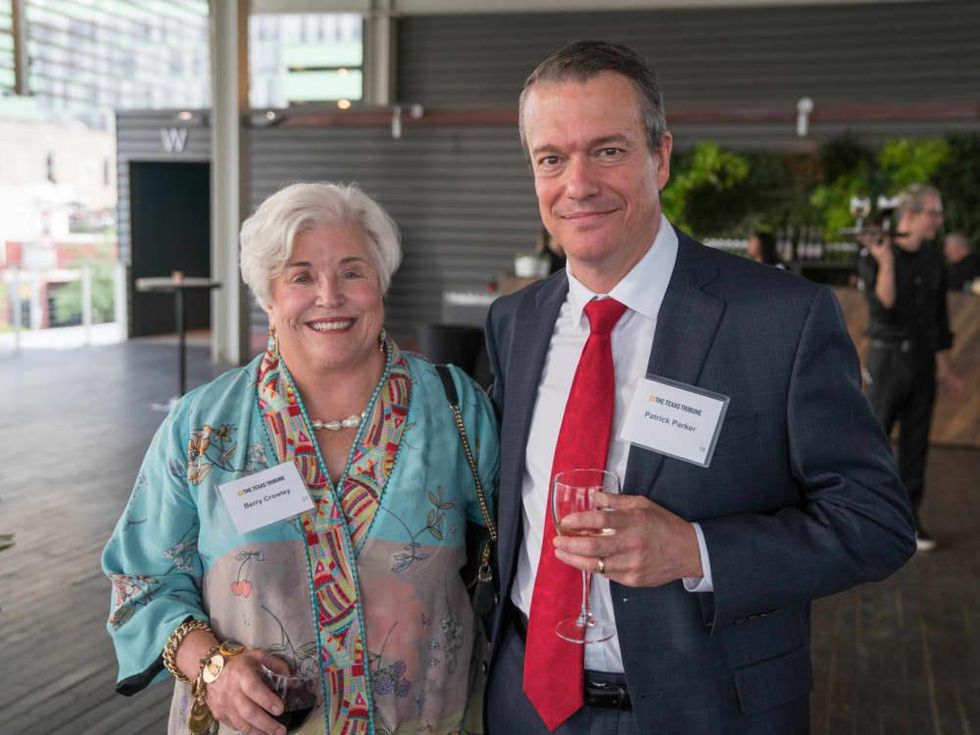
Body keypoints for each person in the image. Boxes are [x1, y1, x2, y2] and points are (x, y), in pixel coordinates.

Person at [484, 40, 915, 735]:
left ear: (660, 156)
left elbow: (877, 521)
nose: (578, 183)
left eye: (609, 151)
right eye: (551, 158)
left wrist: (695, 550)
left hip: (709, 709)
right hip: (527, 705)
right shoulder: (515, 321)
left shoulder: (781, 319)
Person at [102, 182, 499, 735]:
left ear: (381, 282)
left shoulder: (455, 410)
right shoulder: (204, 428)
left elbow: (523, 556)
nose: (329, 296)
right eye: (301, 276)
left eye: (352, 272)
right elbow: (141, 582)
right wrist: (213, 668)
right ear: (267, 295)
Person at [858, 184, 965, 551]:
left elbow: (938, 319)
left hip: (922, 359)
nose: (939, 220)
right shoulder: (875, 254)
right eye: (933, 213)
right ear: (912, 215)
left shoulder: (933, 258)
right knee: (874, 440)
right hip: (888, 358)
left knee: (916, 445)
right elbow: (883, 305)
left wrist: (945, 369)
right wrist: (885, 261)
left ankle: (909, 522)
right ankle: (865, 519)